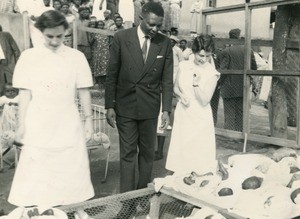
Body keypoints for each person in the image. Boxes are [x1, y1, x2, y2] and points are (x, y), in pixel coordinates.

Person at [8, 10, 95, 207]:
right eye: (49, 36)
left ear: (66, 32)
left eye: (60, 36)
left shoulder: (76, 57)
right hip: (38, 122)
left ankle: (69, 208)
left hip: (67, 121)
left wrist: (89, 121)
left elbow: (83, 91)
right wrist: (21, 126)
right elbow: (25, 94)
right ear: (40, 32)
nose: (55, 41)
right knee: (39, 169)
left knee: (69, 168)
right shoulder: (28, 57)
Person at [105, 0, 173, 194]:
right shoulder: (121, 37)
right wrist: (110, 105)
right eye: (151, 24)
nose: (155, 28)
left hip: (150, 107)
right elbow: (112, 74)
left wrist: (166, 109)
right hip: (125, 105)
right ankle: (127, 199)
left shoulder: (164, 43)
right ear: (140, 18)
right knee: (127, 154)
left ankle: (142, 194)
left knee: (147, 154)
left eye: (159, 25)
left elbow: (167, 79)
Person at [165, 34, 220, 176]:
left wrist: (195, 84)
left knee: (197, 153)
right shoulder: (183, 66)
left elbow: (205, 100)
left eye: (208, 56)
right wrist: (181, 95)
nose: (204, 59)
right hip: (184, 113)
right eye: (201, 55)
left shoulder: (212, 73)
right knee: (182, 150)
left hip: (200, 116)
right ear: (194, 51)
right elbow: (175, 87)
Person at [219, 28, 257, 132]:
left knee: (230, 112)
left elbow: (223, 70)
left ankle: (230, 135)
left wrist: (219, 83)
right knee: (241, 112)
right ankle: (240, 134)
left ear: (230, 38)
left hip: (229, 87)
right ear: (240, 38)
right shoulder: (249, 50)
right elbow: (254, 68)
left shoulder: (226, 51)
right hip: (243, 86)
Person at [0, 25, 20, 96]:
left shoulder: (6, 35)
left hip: (9, 64)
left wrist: (18, 64)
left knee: (13, 85)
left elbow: (16, 50)